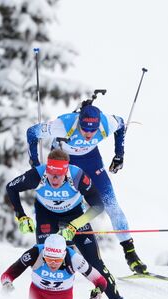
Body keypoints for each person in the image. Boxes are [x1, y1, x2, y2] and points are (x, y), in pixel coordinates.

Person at [5, 149, 132, 299]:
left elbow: (98, 205)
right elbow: (11, 187)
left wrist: (74, 226)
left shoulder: (77, 176)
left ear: (66, 171)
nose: (54, 179)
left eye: (59, 175)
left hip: (75, 216)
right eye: (51, 174)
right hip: (46, 216)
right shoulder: (37, 175)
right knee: (47, 258)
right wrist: (21, 216)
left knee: (96, 263)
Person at [26, 104, 148, 274]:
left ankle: (131, 255)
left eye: (93, 130)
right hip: (65, 162)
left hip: (91, 161)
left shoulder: (107, 123)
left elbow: (121, 125)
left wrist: (119, 155)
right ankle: (65, 252)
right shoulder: (64, 125)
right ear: (79, 123)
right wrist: (35, 163)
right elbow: (32, 132)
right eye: (84, 130)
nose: (89, 134)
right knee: (65, 207)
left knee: (111, 205)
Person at [0, 233, 106, 299]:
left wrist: (98, 291)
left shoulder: (74, 259)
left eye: (57, 260)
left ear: (64, 254)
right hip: (38, 295)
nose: (53, 264)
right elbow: (9, 273)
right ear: (44, 253)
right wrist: (6, 283)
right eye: (49, 259)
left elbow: (100, 280)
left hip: (63, 298)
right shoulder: (35, 253)